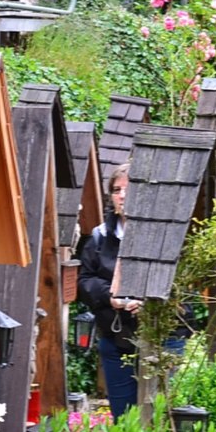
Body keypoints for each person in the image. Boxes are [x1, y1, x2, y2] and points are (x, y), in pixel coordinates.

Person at [77, 163, 142, 418]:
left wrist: (147, 303)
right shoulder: (100, 236)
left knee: (158, 413)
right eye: (117, 190)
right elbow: (85, 281)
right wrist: (110, 296)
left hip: (160, 340)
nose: (122, 196)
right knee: (123, 416)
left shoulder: (159, 234)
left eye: (129, 189)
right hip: (116, 337)